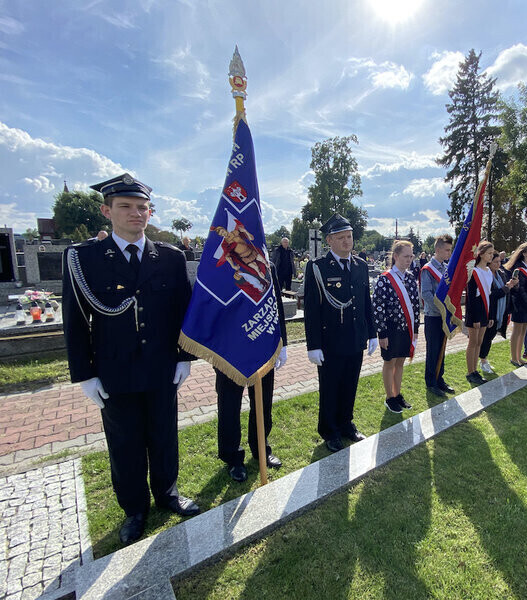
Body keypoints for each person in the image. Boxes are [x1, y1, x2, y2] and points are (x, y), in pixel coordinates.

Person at [62, 173, 199, 545]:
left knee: (163, 434)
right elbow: (74, 320)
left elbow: (183, 311)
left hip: (160, 368)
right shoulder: (84, 259)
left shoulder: (170, 257)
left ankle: (167, 493)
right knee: (124, 442)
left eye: (142, 208)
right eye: (126, 207)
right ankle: (135, 510)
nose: (136, 214)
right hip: (115, 369)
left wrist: (184, 357)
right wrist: (84, 375)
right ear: (108, 211)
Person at [304, 213, 378, 453]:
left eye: (350, 236)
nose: (348, 242)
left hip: (355, 337)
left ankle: (346, 423)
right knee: (330, 387)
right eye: (342, 237)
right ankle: (330, 430)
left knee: (350, 384)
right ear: (330, 240)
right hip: (330, 341)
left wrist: (373, 333)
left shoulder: (360, 265)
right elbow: (312, 309)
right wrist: (313, 344)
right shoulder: (318, 267)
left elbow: (365, 301)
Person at [215, 258, 288, 482]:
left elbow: (275, 304)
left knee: (263, 400)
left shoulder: (267, 263)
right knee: (229, 403)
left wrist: (282, 341)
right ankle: (232, 457)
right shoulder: (218, 265)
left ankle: (261, 447)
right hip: (229, 346)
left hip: (262, 343)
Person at [373, 240, 420, 413]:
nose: (409, 260)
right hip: (390, 329)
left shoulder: (410, 278)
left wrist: (415, 330)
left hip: (406, 328)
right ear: (395, 256)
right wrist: (382, 333)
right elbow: (378, 307)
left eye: (411, 256)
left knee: (400, 362)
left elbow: (415, 306)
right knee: (390, 362)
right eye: (406, 256)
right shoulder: (384, 279)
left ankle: (397, 394)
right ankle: (389, 397)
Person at [420, 234, 454, 397]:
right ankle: (431, 381)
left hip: (444, 316)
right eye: (447, 250)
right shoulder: (427, 269)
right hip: (433, 316)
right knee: (432, 349)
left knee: (442, 347)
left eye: (450, 250)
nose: (449, 253)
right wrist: (441, 309)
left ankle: (440, 378)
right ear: (438, 249)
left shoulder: (447, 269)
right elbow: (426, 293)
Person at [465, 241, 496, 384]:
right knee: (473, 342)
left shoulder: (489, 271)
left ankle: (475, 370)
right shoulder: (474, 271)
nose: (492, 255)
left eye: (492, 253)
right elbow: (471, 297)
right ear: (481, 254)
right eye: (489, 253)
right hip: (474, 311)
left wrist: (489, 315)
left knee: (480, 342)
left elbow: (489, 294)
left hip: (485, 309)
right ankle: (470, 372)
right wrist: (476, 317)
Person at [480, 250, 516, 373]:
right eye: (495, 262)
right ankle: (482, 360)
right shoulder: (486, 274)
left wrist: (511, 285)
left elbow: (504, 291)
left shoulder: (500, 274)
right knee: (486, 337)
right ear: (489, 262)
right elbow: (490, 294)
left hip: (500, 311)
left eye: (499, 261)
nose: (498, 264)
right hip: (490, 310)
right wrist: (507, 288)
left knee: (491, 336)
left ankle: (484, 359)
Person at [504, 243, 527, 366]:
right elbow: (520, 289)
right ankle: (514, 358)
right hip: (520, 305)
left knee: (523, 332)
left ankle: (519, 357)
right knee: (517, 331)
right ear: (524, 253)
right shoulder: (518, 268)